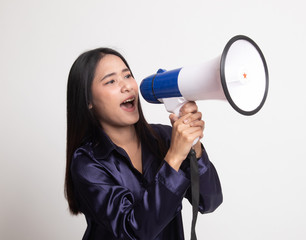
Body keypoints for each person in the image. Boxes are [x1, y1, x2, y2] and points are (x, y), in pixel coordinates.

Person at [64, 47, 223, 240]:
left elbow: (210, 201)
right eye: (111, 81)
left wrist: (194, 148)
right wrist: (173, 157)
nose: (127, 86)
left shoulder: (164, 137)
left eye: (127, 75)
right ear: (88, 100)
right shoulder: (87, 162)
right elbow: (133, 230)